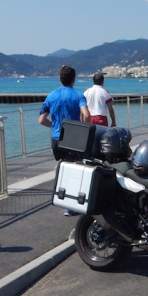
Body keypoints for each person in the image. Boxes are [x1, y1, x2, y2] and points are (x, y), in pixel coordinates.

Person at [38, 65, 90, 216]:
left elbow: (41, 120)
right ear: (74, 79)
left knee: (64, 167)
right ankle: (71, 206)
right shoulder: (78, 95)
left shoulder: (51, 96)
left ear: (60, 79)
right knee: (75, 169)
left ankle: (64, 200)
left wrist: (54, 126)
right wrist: (83, 128)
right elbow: (86, 114)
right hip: (73, 138)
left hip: (56, 138)